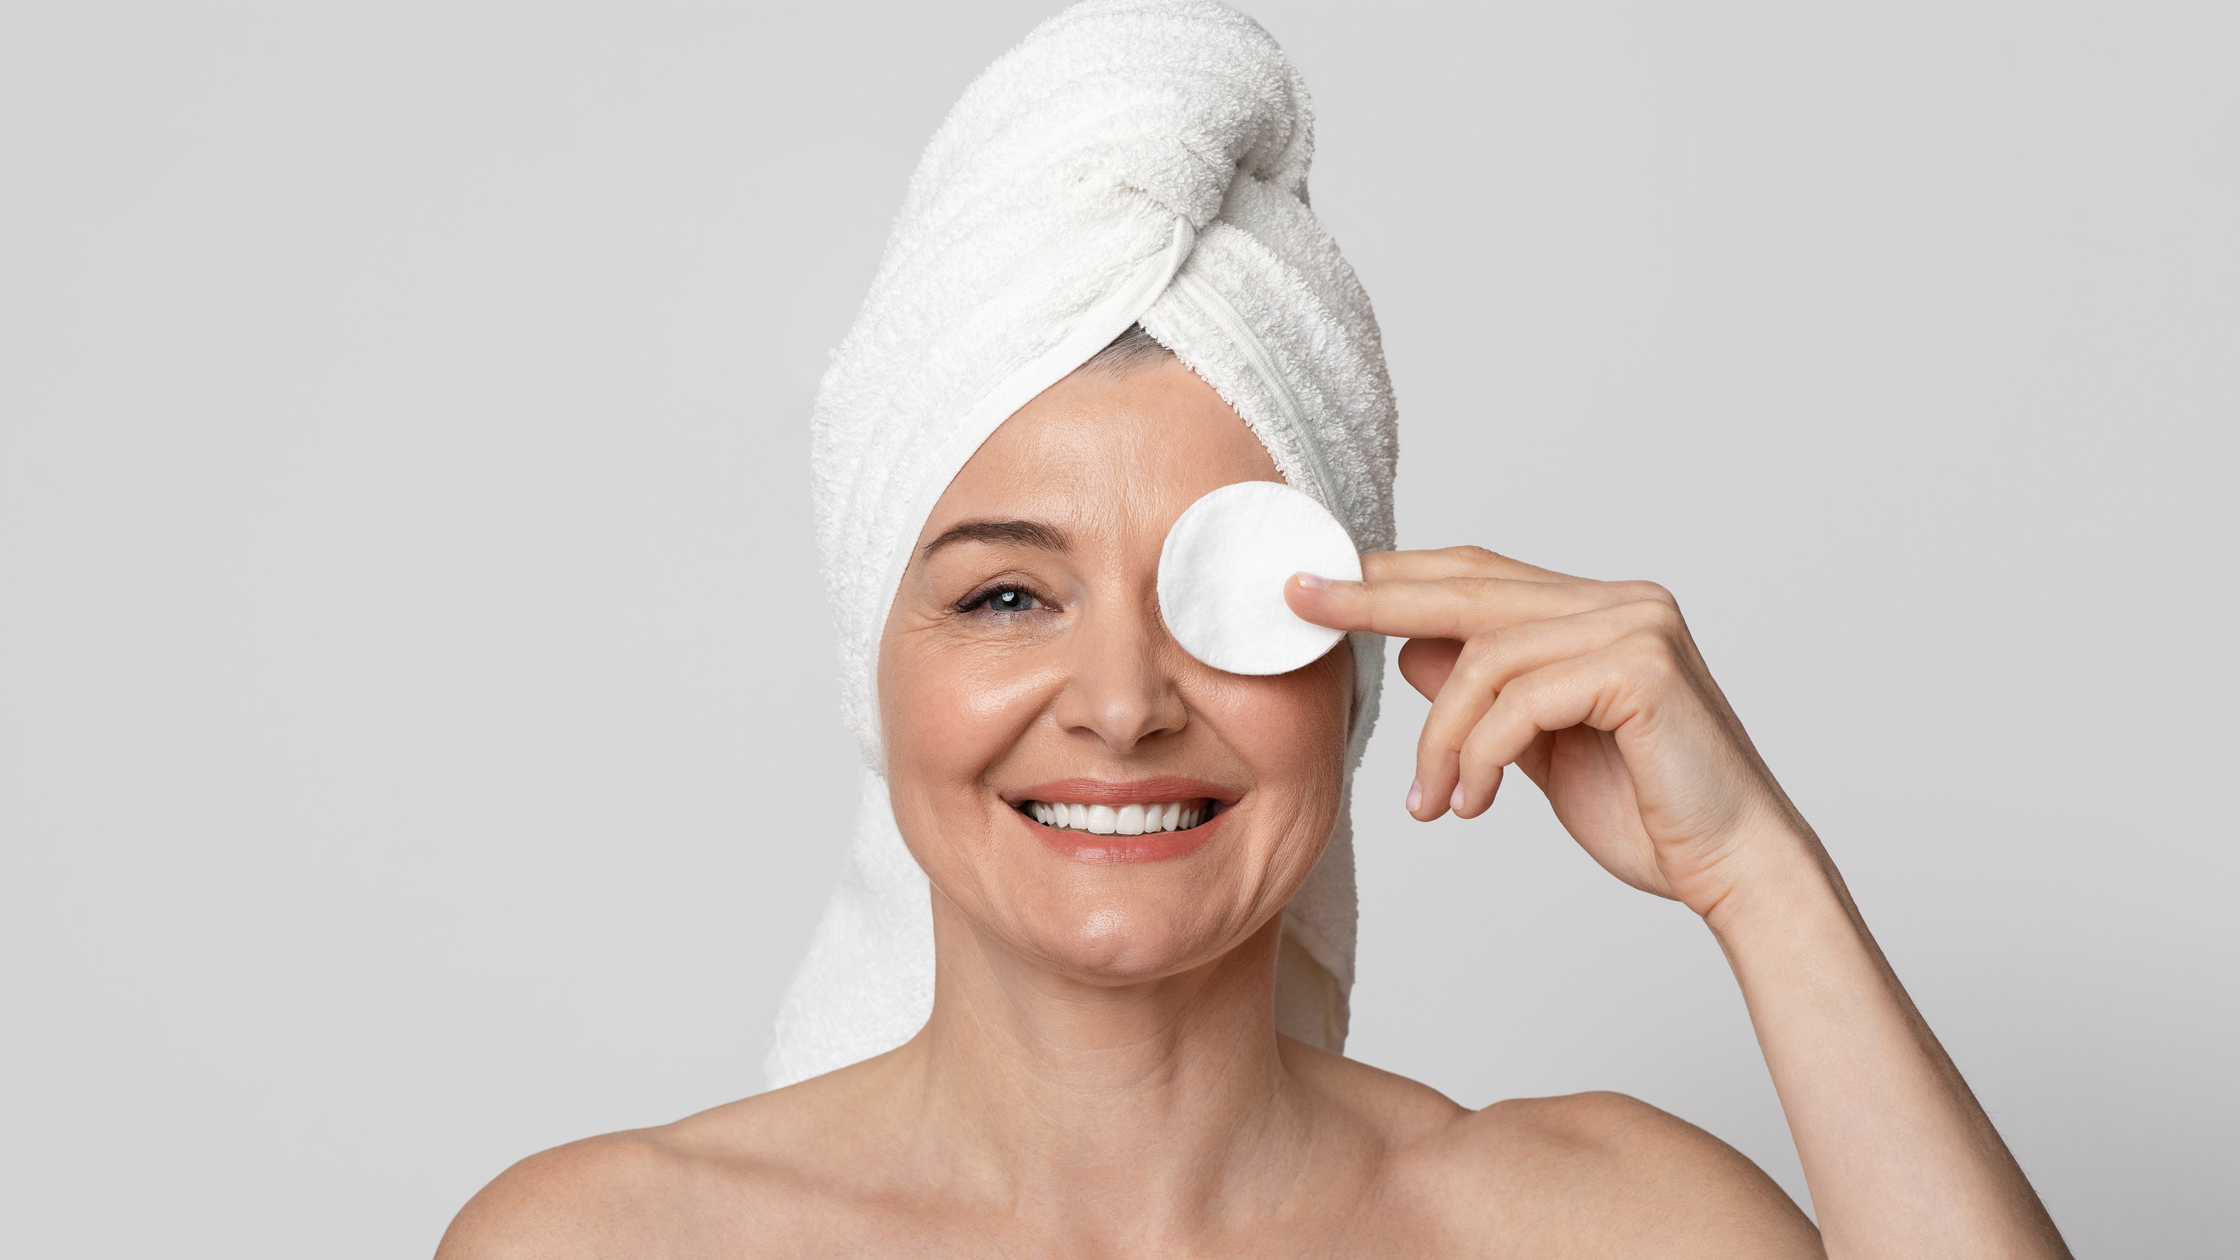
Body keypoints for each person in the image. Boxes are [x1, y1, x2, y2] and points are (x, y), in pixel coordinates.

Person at [439, 3, 2070, 1255]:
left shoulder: (1598, 1228)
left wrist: (1758, 879)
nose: (1127, 701)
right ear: (877, 667)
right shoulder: (609, 1240)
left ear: (1356, 670)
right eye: (1008, 594)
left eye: (1223, 597)